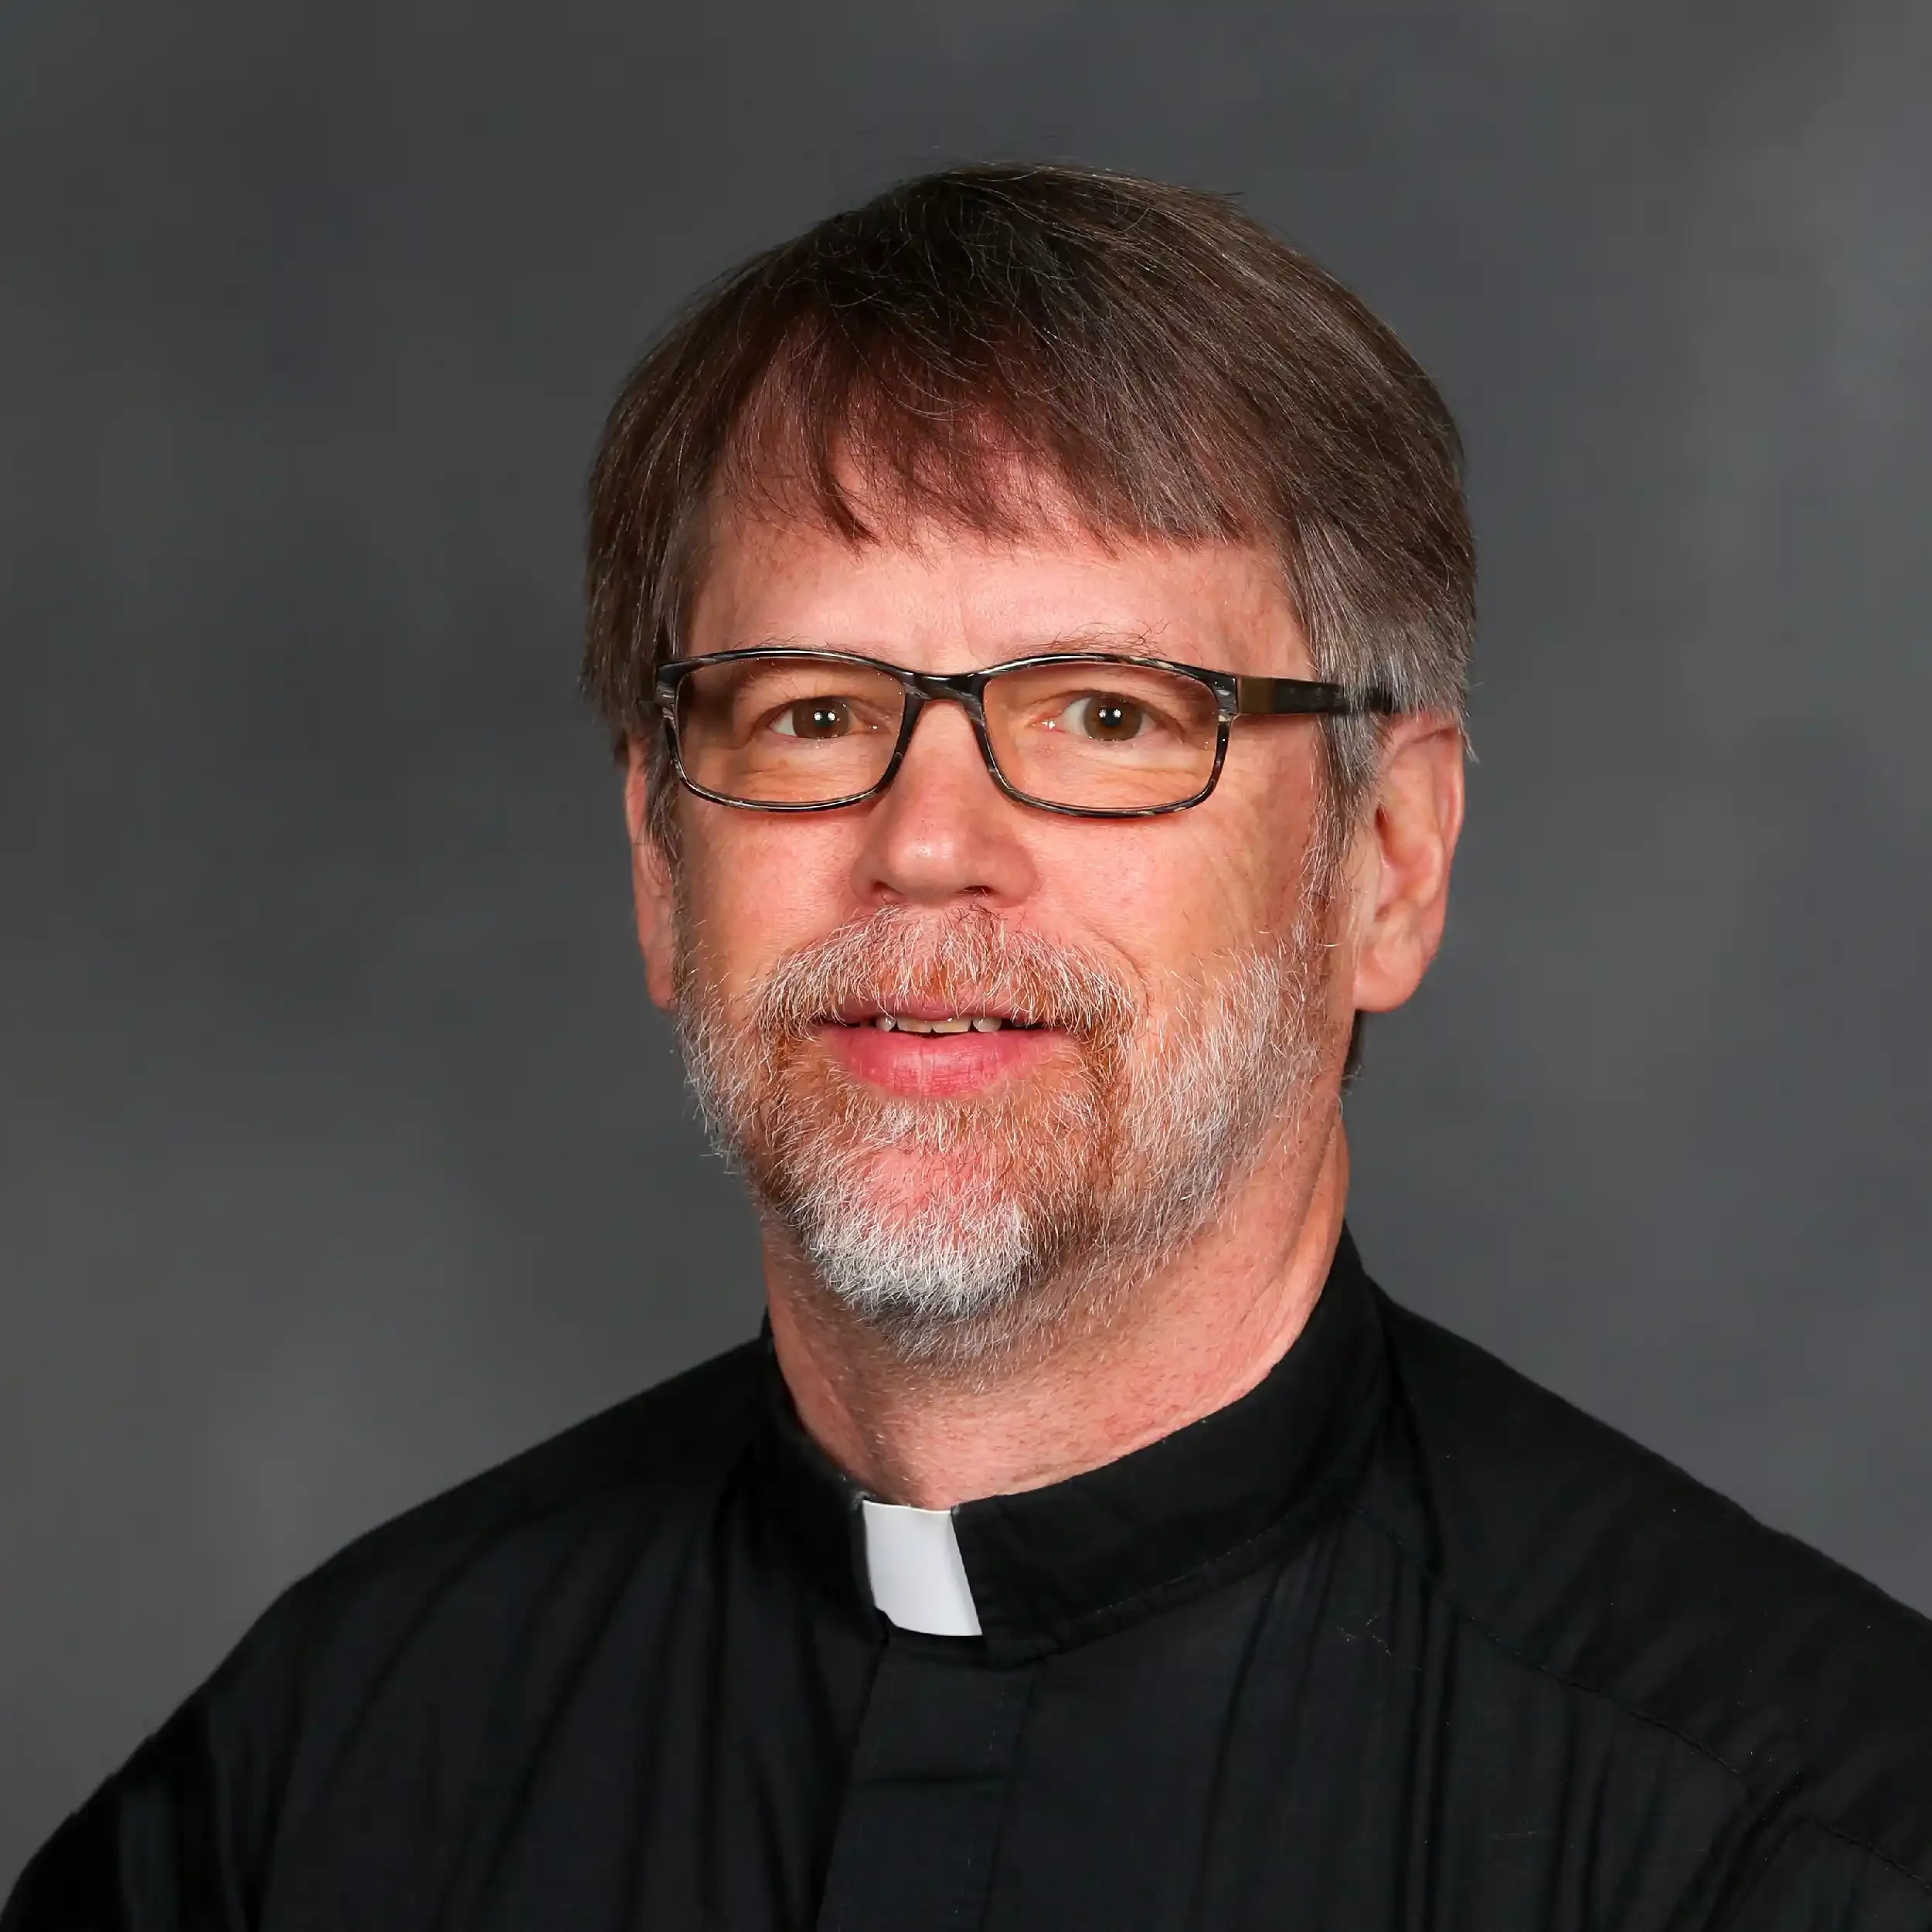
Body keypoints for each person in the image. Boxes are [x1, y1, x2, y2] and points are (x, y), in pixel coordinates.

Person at [9, 162, 1932, 1932]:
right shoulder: (333, 1758)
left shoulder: (1806, 1833)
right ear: (659, 868)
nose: (926, 844)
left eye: (1107, 714)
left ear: (1387, 864)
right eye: (811, 715)